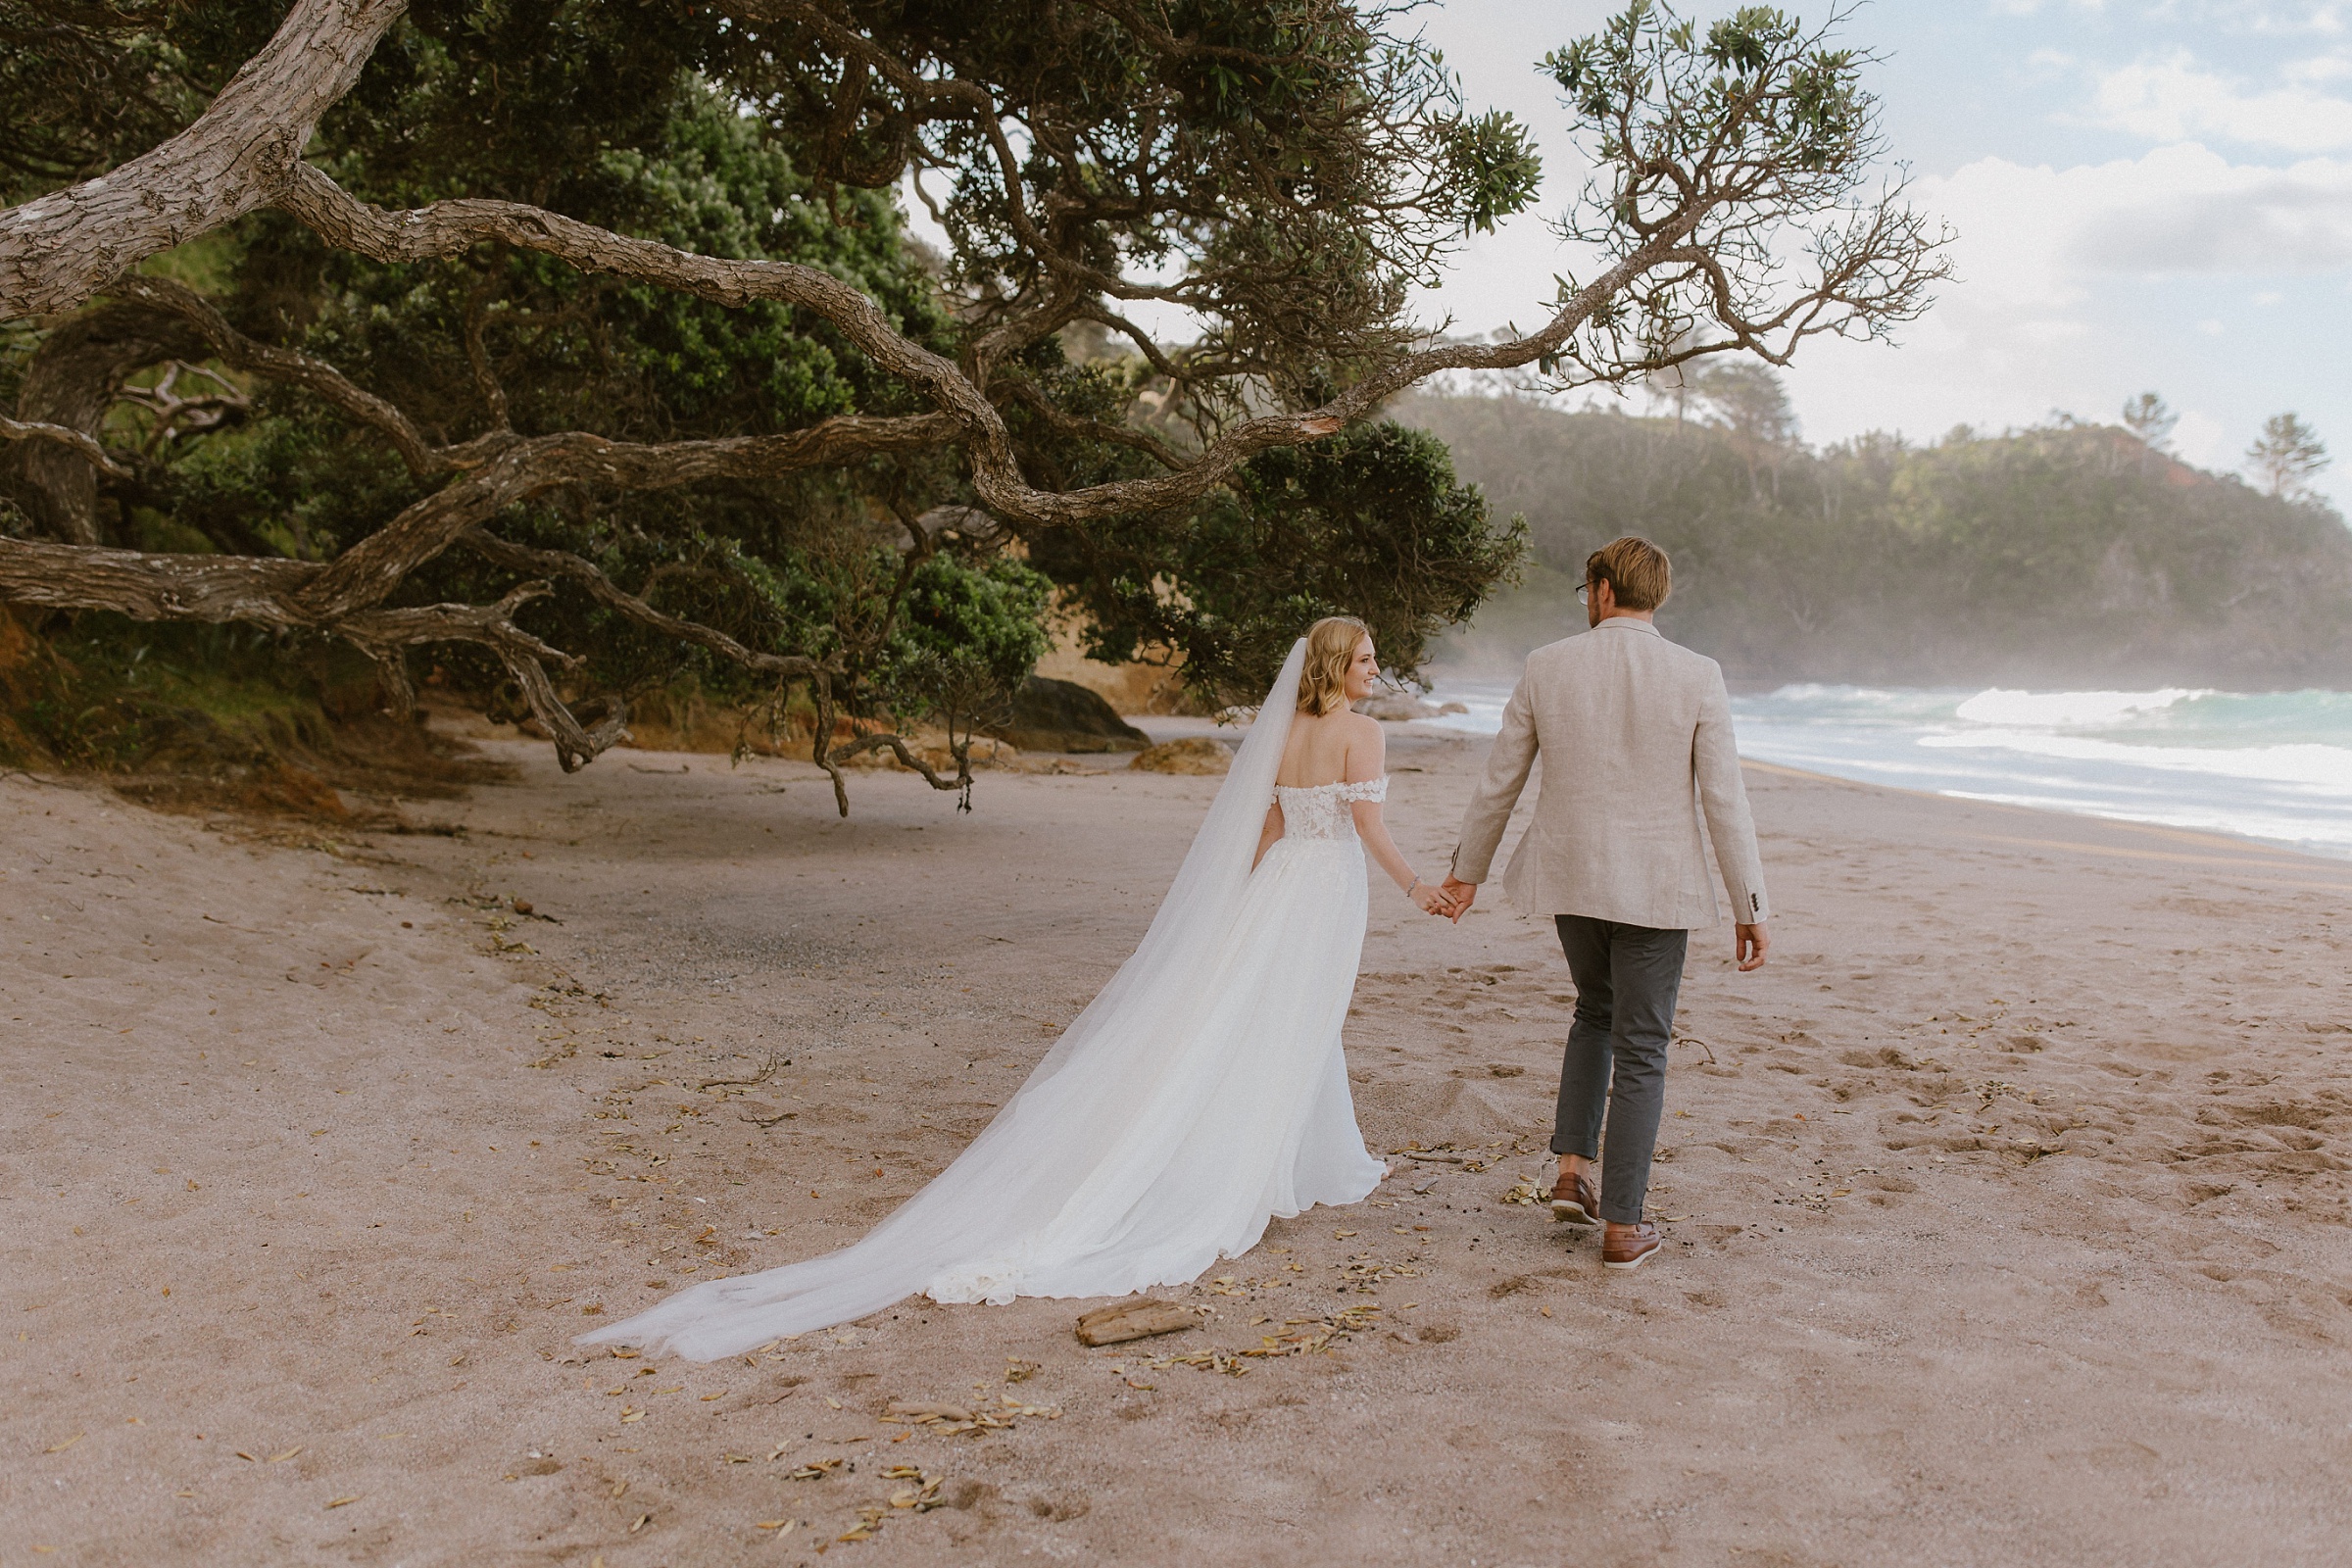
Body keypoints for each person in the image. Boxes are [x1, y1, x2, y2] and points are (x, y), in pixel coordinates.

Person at [583, 616, 1459, 1359]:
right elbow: (1368, 829)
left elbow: (1270, 819)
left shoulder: (1291, 731)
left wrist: (1233, 905)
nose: (1377, 670)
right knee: (1294, 1022)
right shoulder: (1360, 732)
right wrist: (1419, 887)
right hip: (1323, 888)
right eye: (1368, 658)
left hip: (1277, 888)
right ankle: (1258, 1170)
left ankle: (1302, 1158)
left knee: (1265, 1020)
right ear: (1336, 667)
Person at [1442, 537, 1770, 1273]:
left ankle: (1571, 1172)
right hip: (1657, 887)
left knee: (1594, 1010)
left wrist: (1467, 872)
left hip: (1572, 877)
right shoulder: (1698, 674)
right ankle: (1623, 1224)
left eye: (1584, 590)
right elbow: (1725, 798)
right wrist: (1750, 903)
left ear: (1603, 589)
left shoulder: (1547, 665)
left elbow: (1500, 782)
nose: (1584, 601)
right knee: (1644, 1045)